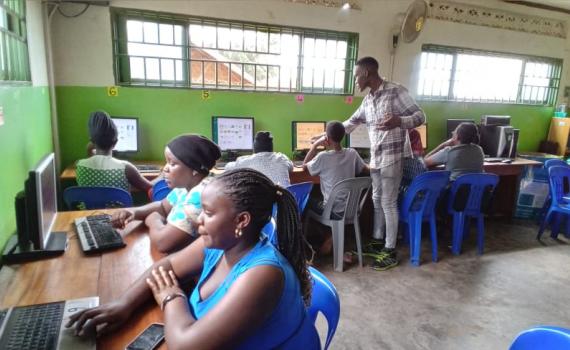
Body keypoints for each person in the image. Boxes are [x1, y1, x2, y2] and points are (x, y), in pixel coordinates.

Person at [66, 169, 319, 349]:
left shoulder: (263, 274)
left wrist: (170, 295)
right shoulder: (221, 243)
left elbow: (186, 345)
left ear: (241, 220)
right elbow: (165, 266)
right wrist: (124, 304)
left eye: (208, 213)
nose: (198, 220)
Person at [313, 57, 425, 271]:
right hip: (376, 159)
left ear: (366, 73)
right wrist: (322, 137)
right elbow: (350, 123)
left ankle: (390, 250)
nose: (355, 81)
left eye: (356, 76)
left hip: (393, 158)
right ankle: (377, 239)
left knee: (388, 203)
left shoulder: (396, 91)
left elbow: (420, 116)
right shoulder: (368, 100)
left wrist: (399, 121)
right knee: (376, 200)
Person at [111, 134, 221, 254]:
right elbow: (163, 206)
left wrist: (153, 219)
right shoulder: (186, 186)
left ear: (195, 169)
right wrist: (134, 212)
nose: (165, 169)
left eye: (172, 164)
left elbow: (163, 243)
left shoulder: (200, 195)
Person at [76, 111, 153, 192]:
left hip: (92, 205)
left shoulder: (80, 166)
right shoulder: (126, 168)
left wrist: (91, 146)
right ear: (116, 142)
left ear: (92, 141)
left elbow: (91, 158)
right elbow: (148, 187)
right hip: (123, 205)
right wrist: (162, 176)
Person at [304, 121, 368, 217]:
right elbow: (365, 169)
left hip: (331, 212)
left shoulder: (323, 157)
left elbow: (304, 166)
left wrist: (315, 145)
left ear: (327, 138)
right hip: (351, 210)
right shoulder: (352, 153)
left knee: (307, 199)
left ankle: (322, 230)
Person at [225, 131, 294, 187]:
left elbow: (227, 167)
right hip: (286, 201)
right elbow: (291, 167)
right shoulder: (282, 158)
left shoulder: (246, 161)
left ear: (254, 146)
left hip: (263, 202)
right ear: (271, 146)